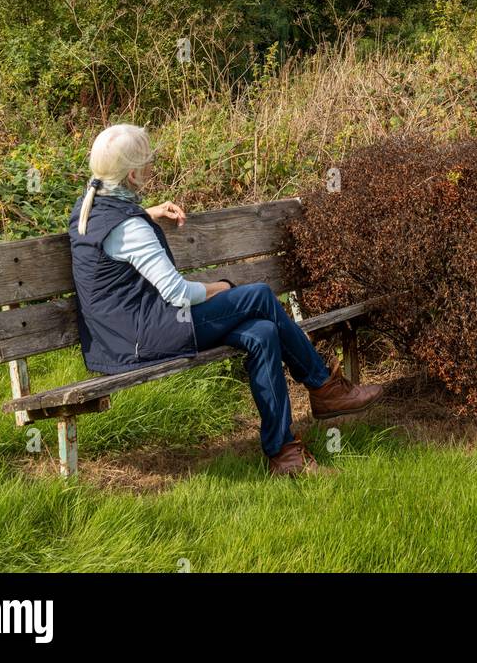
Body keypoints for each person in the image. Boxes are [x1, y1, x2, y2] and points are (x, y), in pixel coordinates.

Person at [68, 123, 385, 476]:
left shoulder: (92, 205)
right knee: (260, 296)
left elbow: (122, 238)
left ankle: (284, 453)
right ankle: (323, 386)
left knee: (263, 332)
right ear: (132, 176)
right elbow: (177, 293)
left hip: (123, 335)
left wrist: (147, 213)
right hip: (144, 335)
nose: (153, 168)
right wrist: (222, 287)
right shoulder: (130, 227)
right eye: (147, 163)